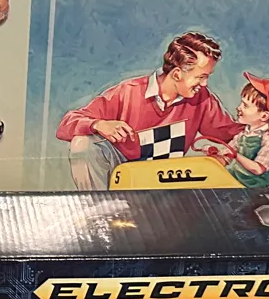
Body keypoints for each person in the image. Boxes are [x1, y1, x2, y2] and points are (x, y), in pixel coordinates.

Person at [56, 31, 244, 190]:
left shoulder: (202, 99)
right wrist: (99, 124)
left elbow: (233, 133)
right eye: (201, 77)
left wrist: (264, 126)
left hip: (162, 182)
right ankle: (100, 212)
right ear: (177, 74)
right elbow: (67, 123)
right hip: (119, 176)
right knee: (82, 145)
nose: (204, 84)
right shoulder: (128, 91)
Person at [203, 73, 269, 188]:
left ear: (264, 116)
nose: (238, 108)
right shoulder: (243, 135)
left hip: (259, 185)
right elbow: (226, 158)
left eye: (245, 106)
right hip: (239, 180)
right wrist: (215, 155)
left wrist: (235, 155)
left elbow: (258, 169)